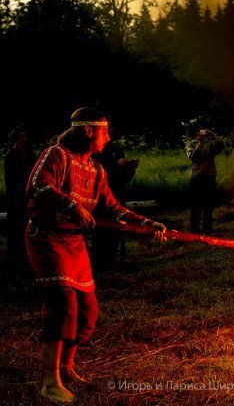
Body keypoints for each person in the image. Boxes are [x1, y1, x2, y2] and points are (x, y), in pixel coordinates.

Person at [25, 107, 166, 404]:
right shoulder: (57, 154)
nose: (108, 137)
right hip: (48, 237)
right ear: (89, 131)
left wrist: (145, 223)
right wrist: (73, 207)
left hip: (73, 243)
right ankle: (50, 382)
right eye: (105, 131)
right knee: (63, 304)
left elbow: (113, 208)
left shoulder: (96, 170)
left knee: (87, 311)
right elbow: (38, 185)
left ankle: (67, 368)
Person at [91, 120, 139, 273]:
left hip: (116, 195)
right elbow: (98, 171)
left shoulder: (116, 149)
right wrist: (114, 165)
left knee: (116, 231)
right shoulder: (95, 150)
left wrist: (129, 168)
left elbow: (122, 178)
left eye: (110, 128)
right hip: (100, 198)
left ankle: (110, 264)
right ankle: (99, 266)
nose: (109, 131)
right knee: (101, 232)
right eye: (106, 128)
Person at [4, 125, 37, 271]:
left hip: (28, 197)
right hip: (17, 198)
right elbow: (9, 179)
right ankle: (15, 263)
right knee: (16, 231)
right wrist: (15, 196)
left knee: (27, 229)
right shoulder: (11, 156)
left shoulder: (30, 154)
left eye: (25, 136)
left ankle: (27, 262)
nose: (24, 139)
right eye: (21, 136)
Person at [185, 118, 223, 234]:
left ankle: (207, 230)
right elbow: (195, 157)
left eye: (202, 130)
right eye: (198, 130)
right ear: (195, 133)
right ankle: (195, 231)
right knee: (195, 206)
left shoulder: (211, 143)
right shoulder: (190, 144)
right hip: (196, 178)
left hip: (209, 177)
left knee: (208, 206)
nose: (201, 132)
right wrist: (200, 144)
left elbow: (220, 147)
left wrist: (213, 136)